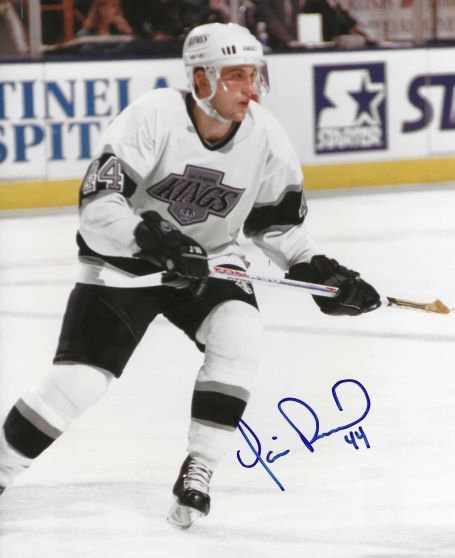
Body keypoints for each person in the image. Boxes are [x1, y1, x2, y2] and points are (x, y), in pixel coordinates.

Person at [0, 22, 381, 528]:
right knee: (79, 384)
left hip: (209, 263)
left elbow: (278, 226)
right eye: (236, 76)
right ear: (201, 79)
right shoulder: (152, 116)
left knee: (240, 334)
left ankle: (200, 466)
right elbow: (98, 206)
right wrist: (150, 238)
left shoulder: (267, 136)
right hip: (124, 267)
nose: (250, 88)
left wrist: (315, 269)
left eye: (254, 75)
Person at [302, 0, 375, 45]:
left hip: (340, 46)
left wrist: (365, 38)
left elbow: (350, 24)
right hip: (326, 47)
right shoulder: (313, 2)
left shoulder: (336, 5)